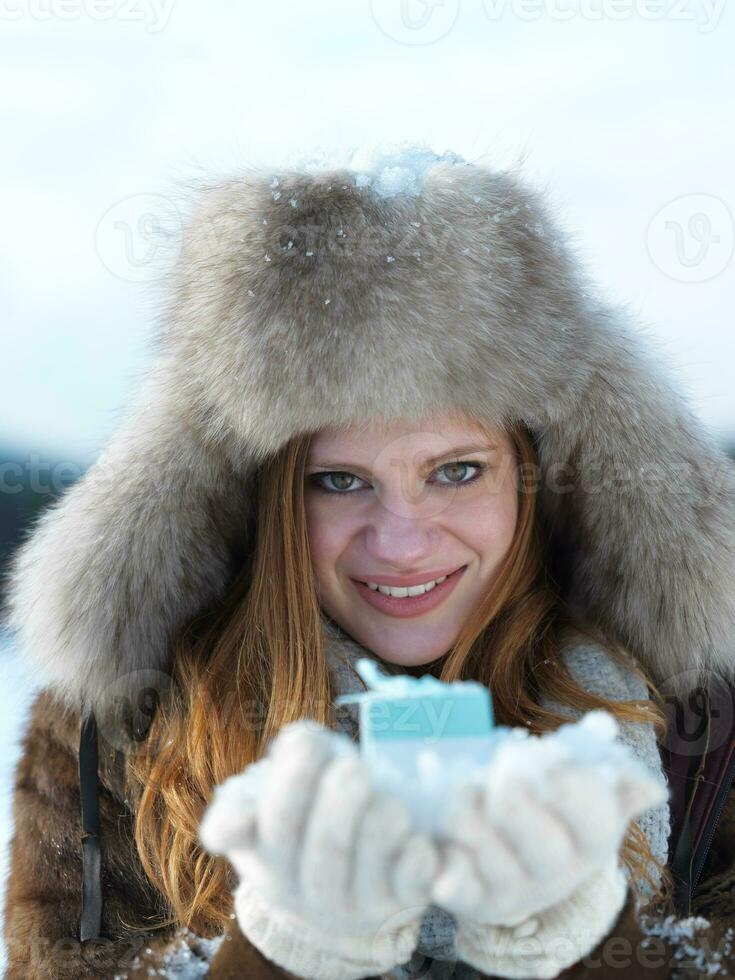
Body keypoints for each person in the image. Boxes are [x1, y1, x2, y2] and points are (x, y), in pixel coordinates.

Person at [2, 147, 734, 980]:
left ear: (538, 481)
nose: (401, 541)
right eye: (338, 482)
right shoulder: (133, 726)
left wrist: (588, 945)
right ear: (272, 503)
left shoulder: (697, 720)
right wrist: (280, 953)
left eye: (456, 471)